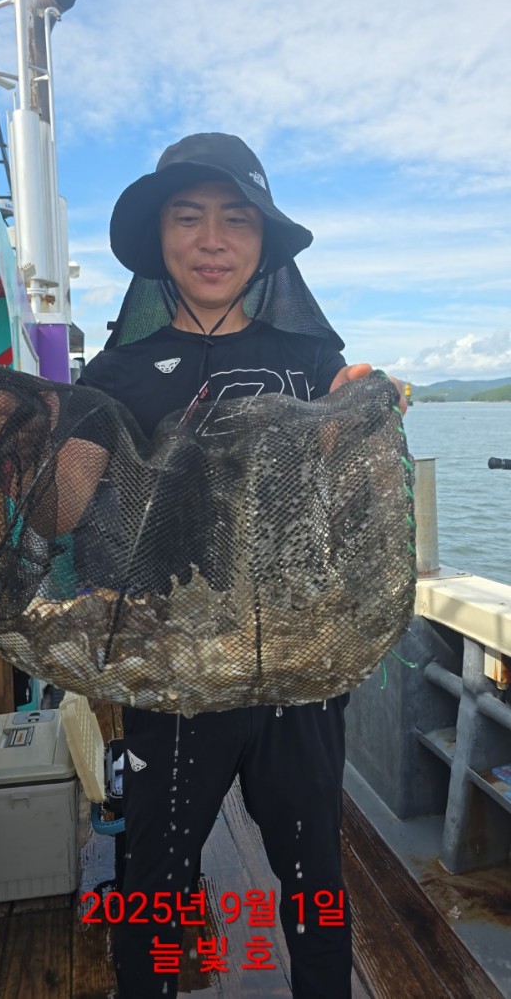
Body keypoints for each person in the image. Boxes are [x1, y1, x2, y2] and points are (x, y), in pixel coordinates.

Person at [79, 132, 404, 998]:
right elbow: (63, 515)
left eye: (237, 219)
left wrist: (364, 422)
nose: (213, 240)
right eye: (189, 217)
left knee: (314, 876)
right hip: (172, 667)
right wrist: (36, 435)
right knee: (153, 878)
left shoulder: (313, 361)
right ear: (160, 237)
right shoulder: (115, 372)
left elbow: (353, 498)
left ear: (264, 242)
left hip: (296, 669)